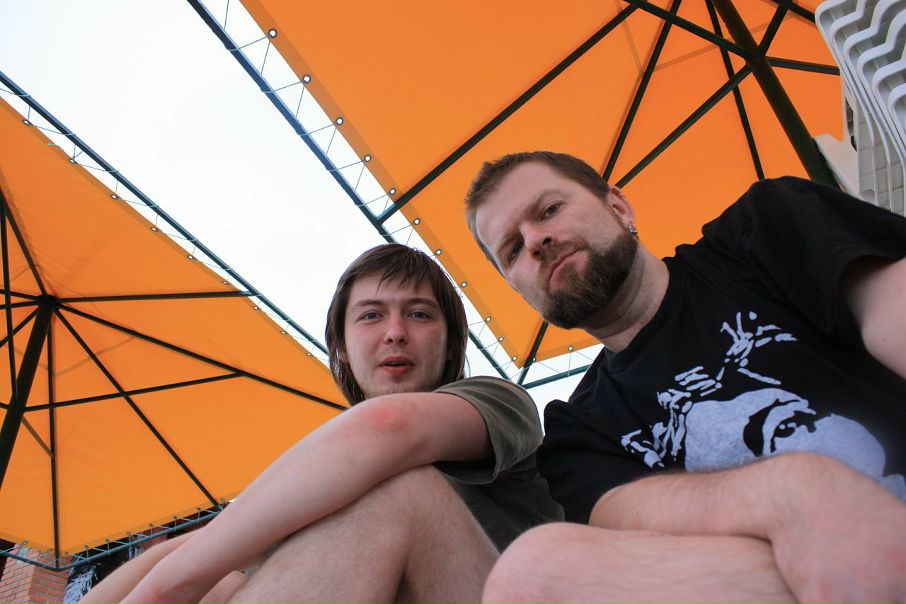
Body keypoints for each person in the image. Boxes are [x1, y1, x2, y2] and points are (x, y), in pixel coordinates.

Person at [465, 151, 906, 603]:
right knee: (533, 573)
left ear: (618, 206)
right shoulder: (577, 433)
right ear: (519, 289)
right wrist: (788, 490)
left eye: (549, 210)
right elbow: (631, 520)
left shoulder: (764, 229)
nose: (534, 240)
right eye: (512, 250)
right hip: (789, 584)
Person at [82, 243, 561, 604]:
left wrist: (163, 592)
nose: (396, 332)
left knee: (396, 487)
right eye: (371, 316)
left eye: (419, 314)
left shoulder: (496, 400)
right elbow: (196, 545)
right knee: (225, 574)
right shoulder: (325, 474)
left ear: (451, 343)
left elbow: (388, 426)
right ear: (342, 350)